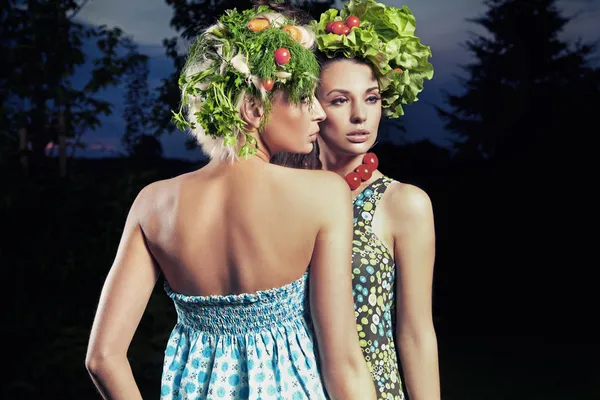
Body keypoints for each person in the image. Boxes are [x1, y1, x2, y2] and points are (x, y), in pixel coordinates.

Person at [85, 3, 376, 399]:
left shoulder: (152, 204)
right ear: (255, 107)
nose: (320, 112)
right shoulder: (324, 195)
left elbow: (102, 357)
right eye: (304, 97)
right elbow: (342, 364)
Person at [272, 1, 440, 399]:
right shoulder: (282, 194)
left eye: (372, 97)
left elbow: (416, 333)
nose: (361, 115)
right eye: (340, 100)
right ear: (311, 106)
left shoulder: (404, 203)